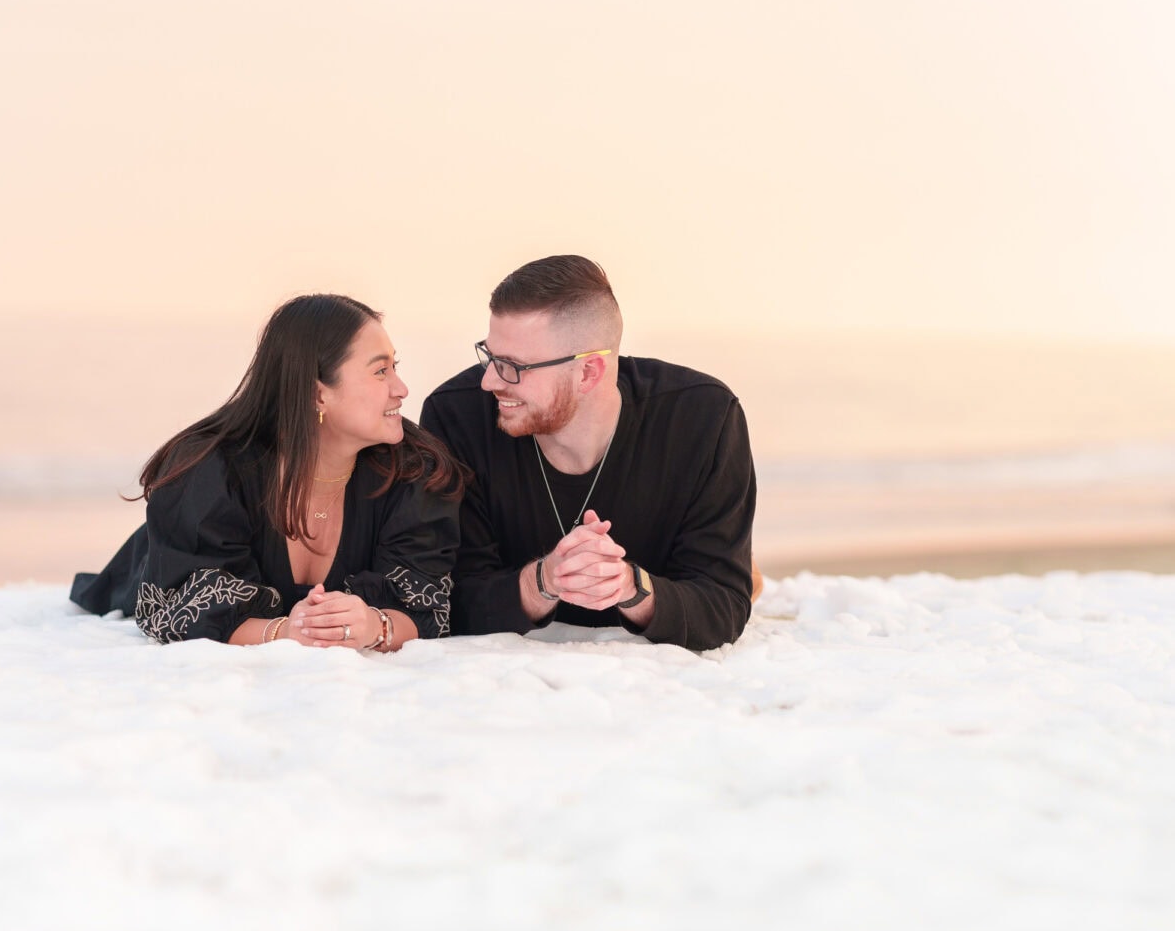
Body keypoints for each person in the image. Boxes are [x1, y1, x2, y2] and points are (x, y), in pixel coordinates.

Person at [72, 294, 463, 649]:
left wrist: (376, 626)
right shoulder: (211, 474)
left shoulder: (412, 471)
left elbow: (427, 608)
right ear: (316, 393)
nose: (402, 389)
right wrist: (286, 632)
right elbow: (180, 614)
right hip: (174, 556)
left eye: (395, 367)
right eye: (381, 372)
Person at [419, 255, 758, 651]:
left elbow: (724, 606)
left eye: (512, 365)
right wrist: (545, 580)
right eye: (489, 356)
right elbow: (442, 600)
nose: (490, 380)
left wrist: (629, 586)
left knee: (749, 577)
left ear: (589, 373)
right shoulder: (455, 416)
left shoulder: (703, 416)